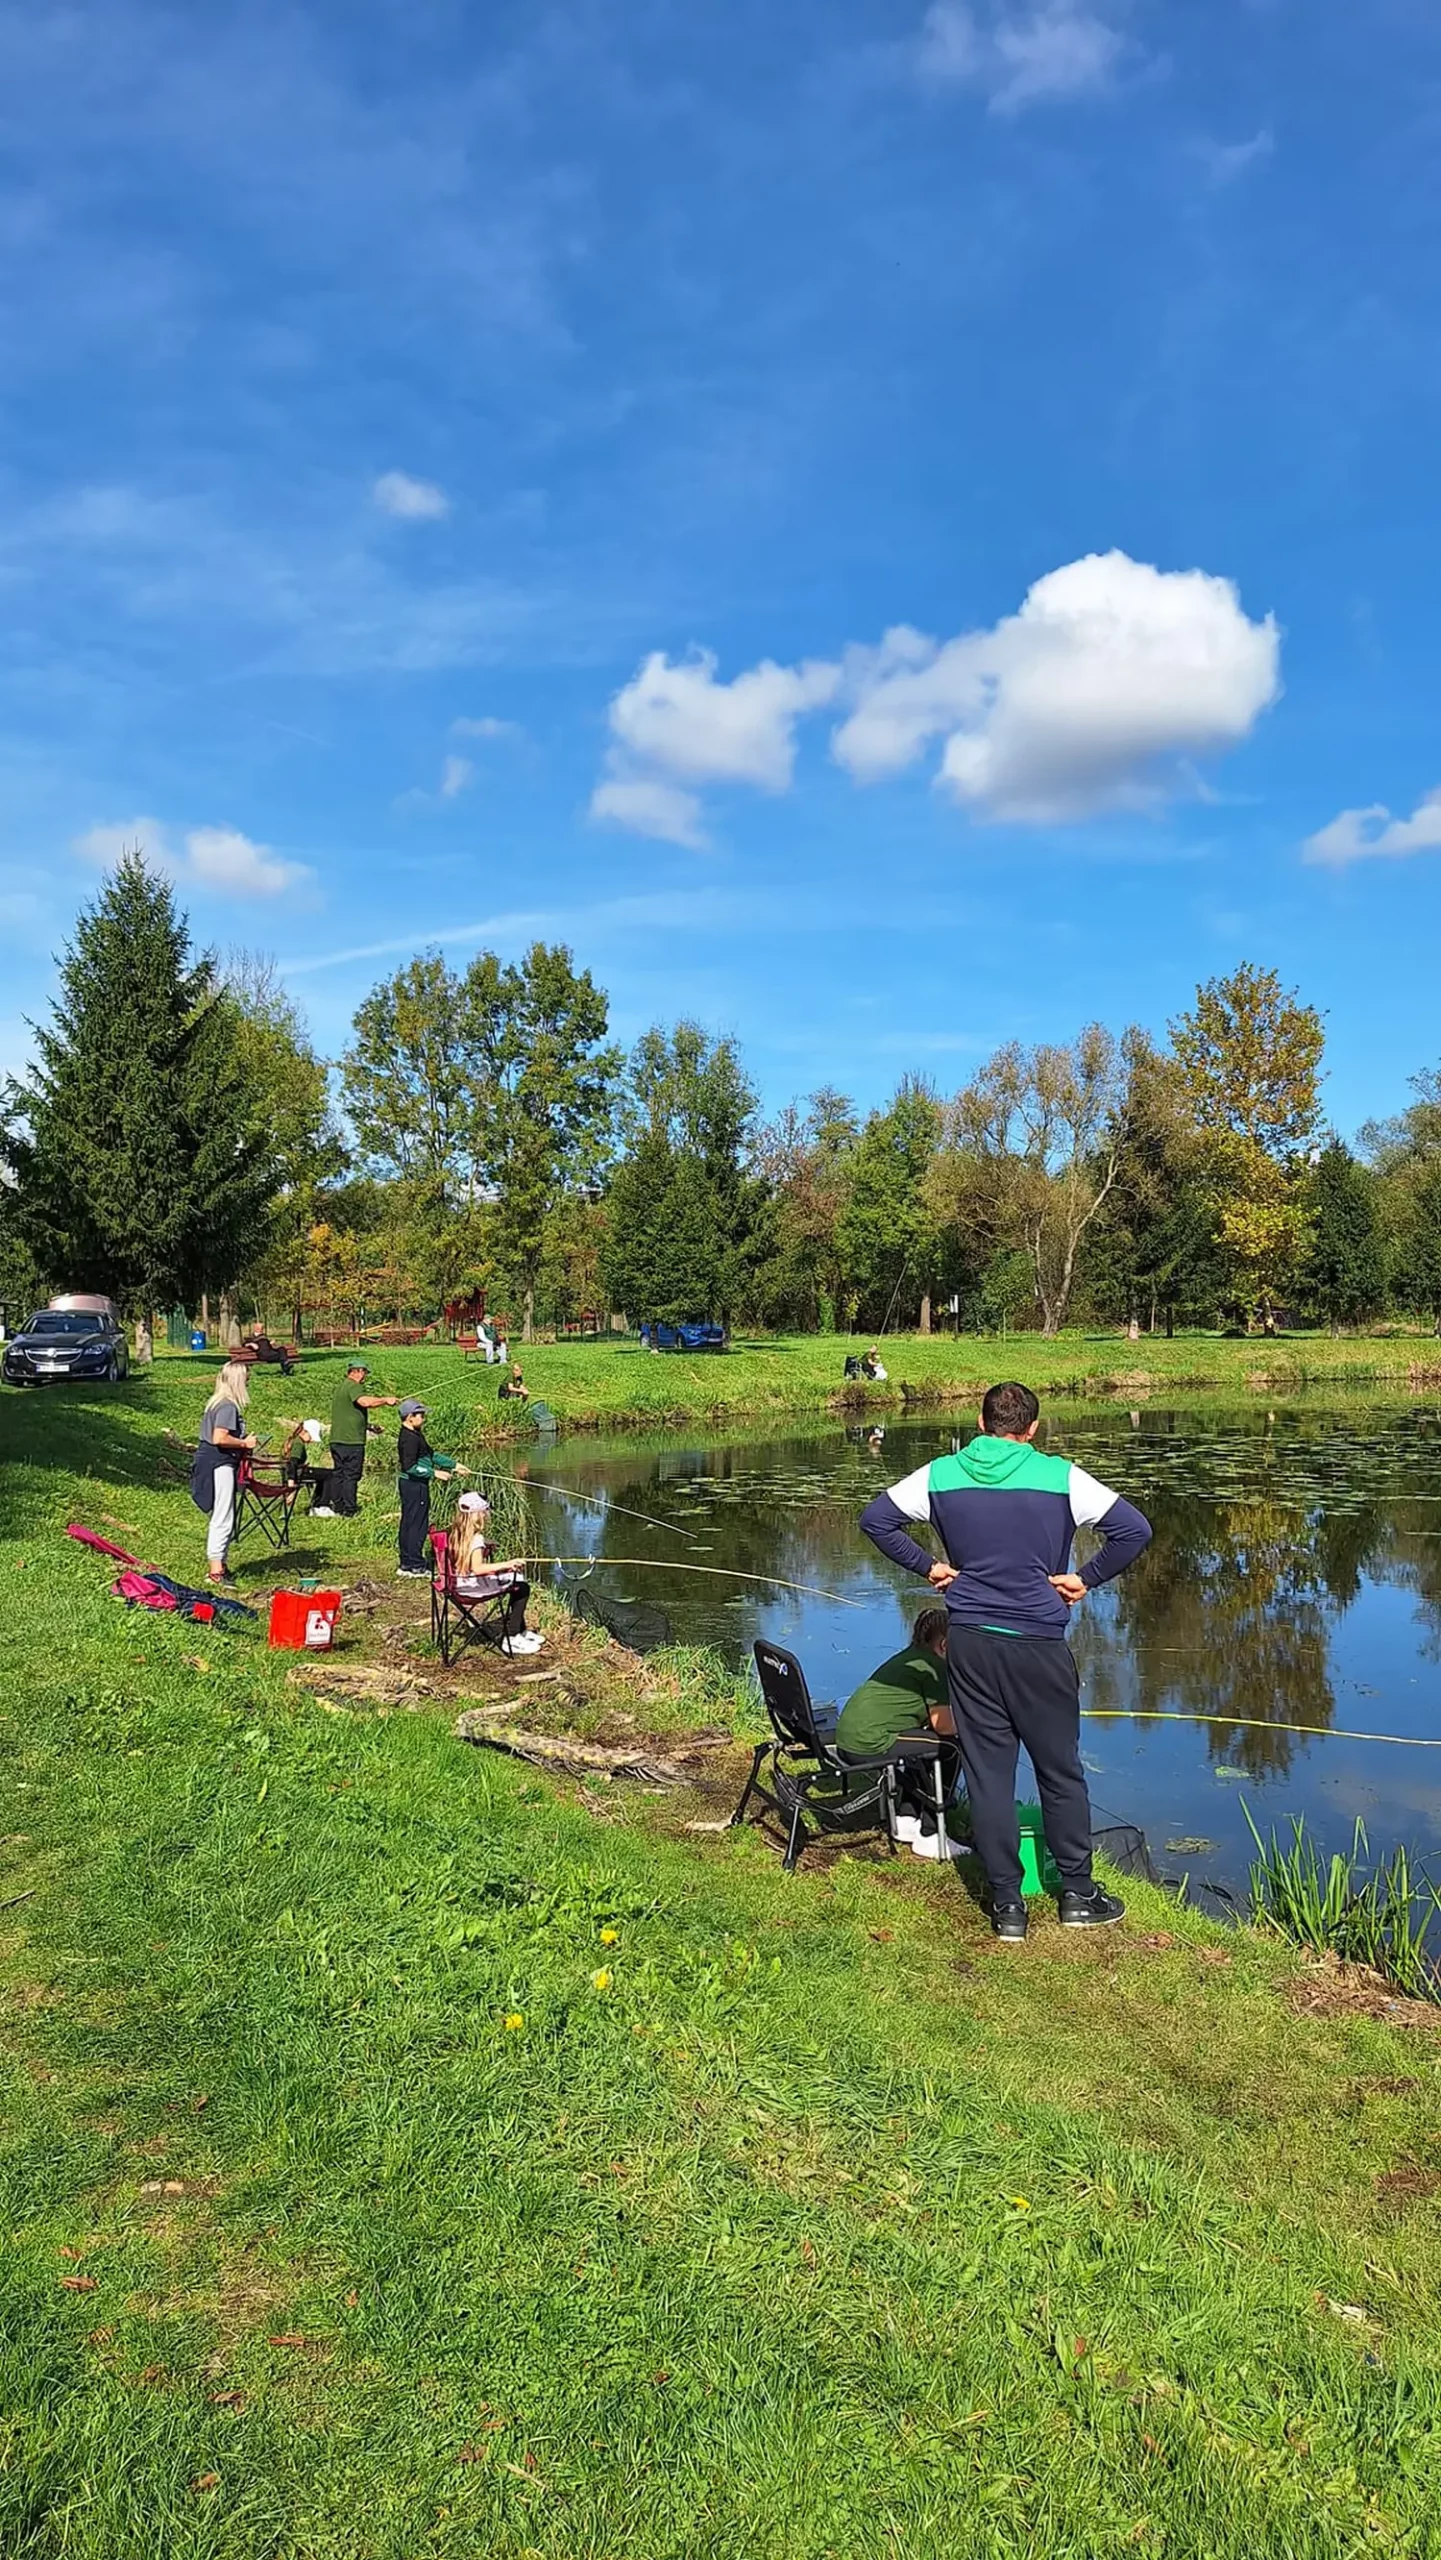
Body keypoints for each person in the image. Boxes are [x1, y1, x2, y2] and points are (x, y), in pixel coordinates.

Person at [859, 1380, 1151, 1941]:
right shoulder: (1062, 1476)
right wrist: (1083, 1579)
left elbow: (877, 1520)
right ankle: (1078, 1896)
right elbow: (1133, 1531)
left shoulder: (940, 1474)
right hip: (1038, 1642)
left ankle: (1008, 1908)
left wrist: (929, 1568)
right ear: (1033, 1429)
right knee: (1060, 1772)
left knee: (990, 1774)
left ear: (980, 1421)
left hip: (970, 1641)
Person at [834, 1607, 960, 1861]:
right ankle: (931, 1833)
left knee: (919, 1742)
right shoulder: (934, 1669)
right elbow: (944, 1726)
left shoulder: (909, 1657)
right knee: (952, 1749)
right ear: (945, 1644)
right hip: (869, 1742)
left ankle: (906, 1818)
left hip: (847, 1738)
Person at [190, 1355, 257, 1587]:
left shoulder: (216, 1402)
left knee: (222, 1514)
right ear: (238, 1381)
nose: (248, 1384)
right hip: (218, 1463)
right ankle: (215, 1570)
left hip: (212, 1461)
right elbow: (220, 1437)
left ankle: (220, 1564)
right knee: (223, 1516)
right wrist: (244, 1443)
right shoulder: (228, 1405)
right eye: (246, 1379)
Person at [449, 1491, 543, 1653]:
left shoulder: (457, 1532)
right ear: (476, 1514)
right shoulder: (476, 1538)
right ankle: (512, 1637)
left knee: (518, 1582)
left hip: (458, 1582)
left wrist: (485, 1544)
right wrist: (508, 1564)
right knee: (522, 1587)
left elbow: (468, 1555)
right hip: (472, 1587)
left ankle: (521, 1631)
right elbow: (478, 1568)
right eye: (484, 1511)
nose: (486, 1515)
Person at [314, 1362, 398, 1519]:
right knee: (351, 1476)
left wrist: (369, 1426)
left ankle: (337, 1507)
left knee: (339, 1473)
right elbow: (365, 1402)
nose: (365, 1376)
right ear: (357, 1372)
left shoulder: (341, 1387)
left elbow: (350, 1413)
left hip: (337, 1439)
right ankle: (349, 1510)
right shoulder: (354, 1386)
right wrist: (386, 1400)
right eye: (365, 1372)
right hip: (351, 1441)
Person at [395, 1397, 466, 1577]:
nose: (424, 1418)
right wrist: (435, 1473)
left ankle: (408, 1562)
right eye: (421, 1415)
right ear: (410, 1417)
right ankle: (414, 1565)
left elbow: (430, 1454)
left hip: (417, 1484)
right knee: (415, 1524)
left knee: (414, 1522)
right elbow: (409, 1467)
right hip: (413, 1485)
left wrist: (454, 1465)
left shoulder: (416, 1434)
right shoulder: (408, 1439)